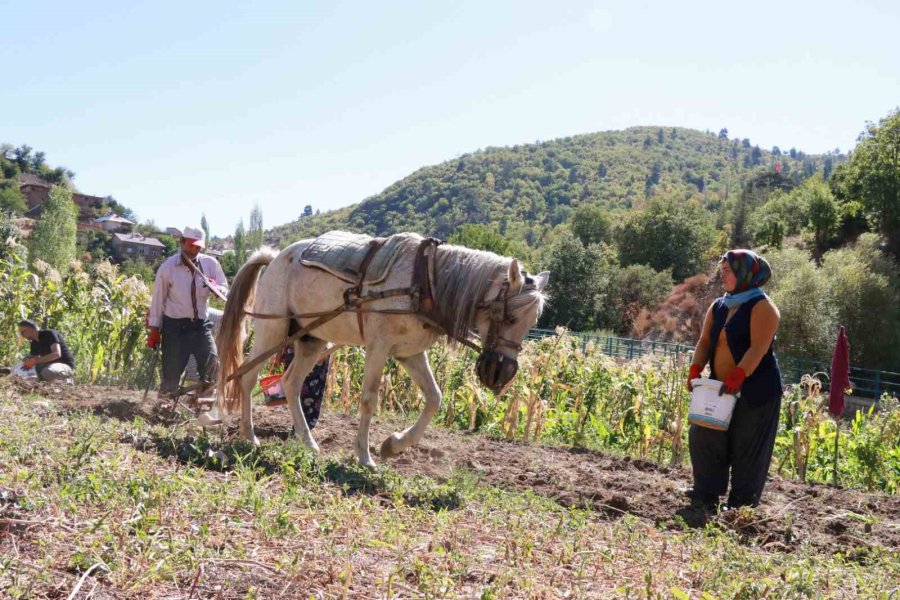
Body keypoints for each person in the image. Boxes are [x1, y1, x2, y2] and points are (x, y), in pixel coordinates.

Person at [685, 249, 783, 510]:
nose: (723, 275)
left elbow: (758, 348)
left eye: (728, 270)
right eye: (722, 270)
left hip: (756, 391)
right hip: (720, 387)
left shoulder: (764, 307)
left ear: (744, 273)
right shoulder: (719, 306)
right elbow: (706, 342)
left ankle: (741, 503)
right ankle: (705, 492)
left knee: (747, 444)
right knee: (704, 432)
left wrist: (740, 374)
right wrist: (696, 369)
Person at [148, 225, 227, 399]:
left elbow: (224, 290)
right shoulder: (168, 268)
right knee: (171, 374)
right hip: (175, 327)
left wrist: (215, 287)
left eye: (198, 247)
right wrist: (154, 329)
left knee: (212, 363)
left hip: (200, 326)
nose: (194, 250)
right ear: (182, 242)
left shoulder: (211, 264)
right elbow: (158, 300)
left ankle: (204, 403)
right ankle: (164, 407)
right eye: (191, 245)